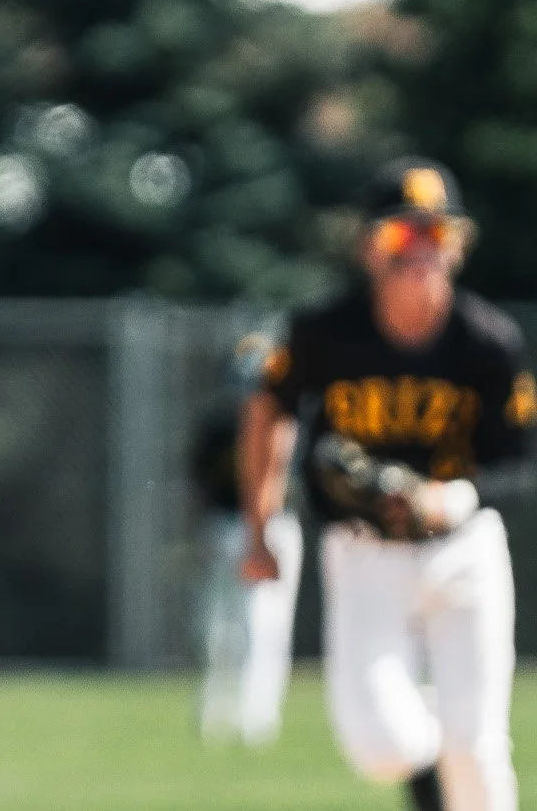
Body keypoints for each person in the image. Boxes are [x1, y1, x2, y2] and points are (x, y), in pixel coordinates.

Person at [239, 158, 533, 811]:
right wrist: (261, 526)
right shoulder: (326, 331)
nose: (421, 251)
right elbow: (267, 409)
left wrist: (450, 496)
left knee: (477, 745)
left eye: (438, 233)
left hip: (463, 550)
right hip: (364, 549)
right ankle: (428, 772)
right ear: (369, 246)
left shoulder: (487, 341)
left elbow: (516, 460)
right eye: (403, 234)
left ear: (458, 246)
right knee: (383, 744)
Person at [190, 338, 301, 746]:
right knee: (216, 626)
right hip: (226, 524)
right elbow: (202, 484)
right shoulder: (219, 426)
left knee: (265, 625)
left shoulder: (290, 422)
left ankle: (258, 718)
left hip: (275, 525)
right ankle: (216, 713)